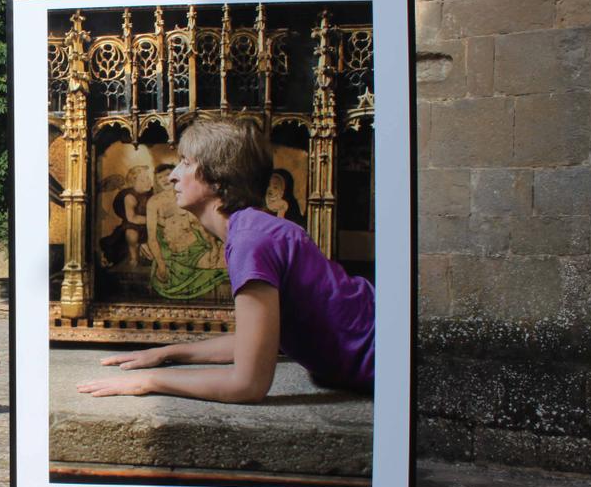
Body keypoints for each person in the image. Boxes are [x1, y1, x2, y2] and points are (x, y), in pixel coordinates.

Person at [77, 119, 375, 403]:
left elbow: (247, 384)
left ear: (218, 178)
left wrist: (150, 381)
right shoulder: (251, 229)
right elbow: (255, 342)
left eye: (187, 163)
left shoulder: (252, 239)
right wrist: (167, 353)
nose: (173, 175)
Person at [145, 162, 227, 299]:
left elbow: (200, 226)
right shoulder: (154, 202)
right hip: (174, 254)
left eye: (167, 175)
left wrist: (213, 247)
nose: (164, 180)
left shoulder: (185, 195)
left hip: (197, 247)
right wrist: (160, 263)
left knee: (226, 260)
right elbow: (152, 237)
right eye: (160, 178)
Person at [99, 165, 153, 268]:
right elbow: (132, 218)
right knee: (131, 233)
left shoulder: (151, 193)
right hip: (132, 225)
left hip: (148, 225)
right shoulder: (129, 196)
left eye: (148, 178)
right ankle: (134, 259)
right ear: (133, 182)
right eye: (143, 180)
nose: (148, 181)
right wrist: (154, 219)